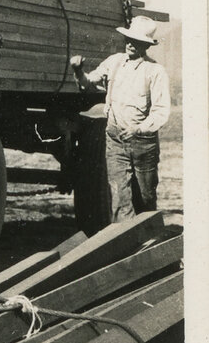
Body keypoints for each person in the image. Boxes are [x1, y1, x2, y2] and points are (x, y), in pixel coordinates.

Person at [70, 16, 170, 221]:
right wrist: (78, 71)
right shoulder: (114, 62)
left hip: (143, 144)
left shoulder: (155, 71)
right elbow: (87, 84)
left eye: (137, 41)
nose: (130, 44)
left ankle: (148, 241)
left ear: (146, 46)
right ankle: (125, 244)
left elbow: (161, 111)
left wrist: (139, 129)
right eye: (128, 39)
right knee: (119, 197)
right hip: (115, 140)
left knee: (145, 197)